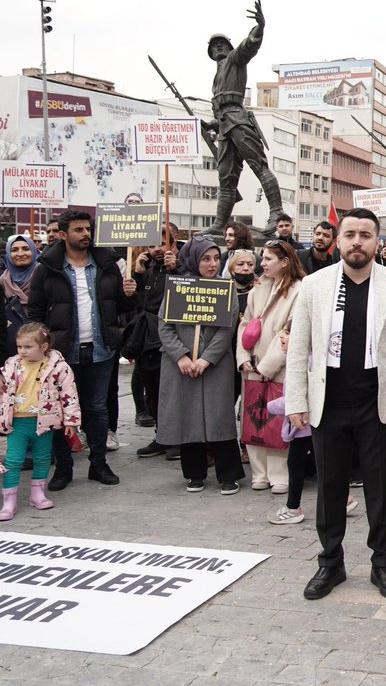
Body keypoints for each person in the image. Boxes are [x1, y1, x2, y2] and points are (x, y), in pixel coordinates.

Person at [285, 208, 386, 601]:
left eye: (365, 234)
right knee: (329, 487)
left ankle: (383, 563)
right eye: (350, 234)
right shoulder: (314, 286)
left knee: (380, 488)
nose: (357, 241)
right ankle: (330, 562)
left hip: (376, 402)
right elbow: (298, 349)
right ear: (338, 240)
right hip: (328, 402)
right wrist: (296, 400)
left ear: (377, 242)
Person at [27, 210, 136, 490]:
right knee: (61, 412)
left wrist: (130, 294)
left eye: (88, 229)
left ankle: (99, 464)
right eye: (78, 230)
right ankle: (64, 468)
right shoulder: (47, 268)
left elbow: (122, 308)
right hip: (62, 353)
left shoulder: (106, 265)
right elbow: (36, 311)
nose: (85, 234)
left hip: (101, 349)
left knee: (97, 409)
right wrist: (42, 348)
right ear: (63, 235)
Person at [156, 237, 245, 495]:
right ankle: (194, 473)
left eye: (216, 258)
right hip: (180, 364)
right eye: (206, 258)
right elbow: (165, 325)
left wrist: (207, 358)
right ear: (194, 260)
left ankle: (228, 474)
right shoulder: (178, 287)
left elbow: (226, 329)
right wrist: (182, 356)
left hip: (215, 365)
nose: (212, 264)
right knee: (188, 417)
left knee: (220, 418)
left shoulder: (225, 288)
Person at [202, 0, 285, 235]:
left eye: (222, 44)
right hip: (225, 126)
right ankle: (220, 223)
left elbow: (249, 45)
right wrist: (212, 123)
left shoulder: (234, 60)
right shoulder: (218, 74)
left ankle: (276, 211)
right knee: (226, 177)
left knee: (259, 166)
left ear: (229, 48)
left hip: (238, 120)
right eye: (214, 46)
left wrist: (260, 27)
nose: (218, 47)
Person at [238, 240, 305, 494]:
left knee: (277, 419)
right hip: (252, 365)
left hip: (280, 366)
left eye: (268, 259)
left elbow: (291, 329)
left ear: (285, 262)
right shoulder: (257, 289)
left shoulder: (299, 289)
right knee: (253, 418)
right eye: (262, 258)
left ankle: (280, 475)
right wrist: (243, 357)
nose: (262, 264)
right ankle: (259, 472)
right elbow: (245, 323)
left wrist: (268, 366)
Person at [0, 323, 80, 520]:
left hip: (45, 421)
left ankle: (37, 494)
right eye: (19, 347)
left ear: (44, 347)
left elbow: (69, 394)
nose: (22, 351)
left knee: (43, 458)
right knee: (13, 460)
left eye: (28, 347)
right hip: (17, 422)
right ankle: (8, 502)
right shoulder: (10, 366)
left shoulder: (59, 367)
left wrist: (71, 421)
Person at [131, 225, 180, 459]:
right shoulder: (148, 270)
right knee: (152, 391)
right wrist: (137, 277)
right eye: (152, 245)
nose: (157, 249)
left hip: (170, 340)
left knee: (169, 392)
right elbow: (139, 304)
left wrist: (177, 270)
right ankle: (161, 436)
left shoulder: (181, 268)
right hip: (147, 340)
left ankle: (175, 439)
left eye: (162, 243)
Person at [1, 234, 39, 358]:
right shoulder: (2, 281)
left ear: (33, 251)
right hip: (9, 352)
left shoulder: (44, 277)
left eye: (26, 249)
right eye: (14, 250)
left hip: (41, 349)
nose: (20, 253)